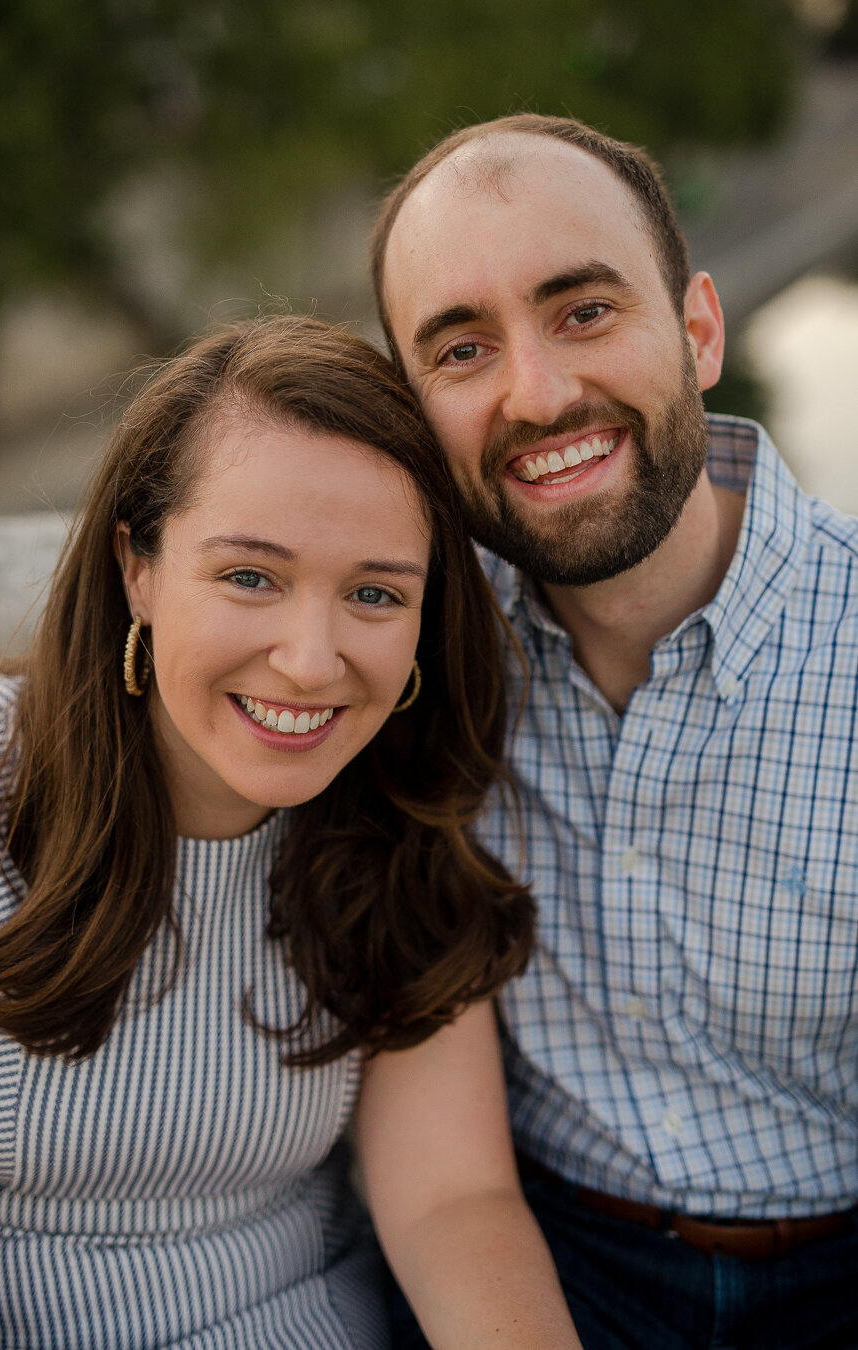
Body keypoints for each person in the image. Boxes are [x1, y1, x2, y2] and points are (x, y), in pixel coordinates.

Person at [0, 315, 583, 1350]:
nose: (308, 660)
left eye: (375, 594)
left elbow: (452, 1206)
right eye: (251, 576)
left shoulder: (404, 818)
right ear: (138, 569)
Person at [371, 114, 858, 1348]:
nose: (538, 394)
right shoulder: (403, 664)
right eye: (464, 348)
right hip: (544, 1261)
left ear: (699, 331)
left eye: (584, 311)